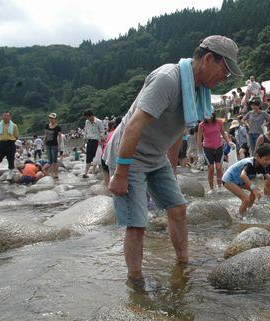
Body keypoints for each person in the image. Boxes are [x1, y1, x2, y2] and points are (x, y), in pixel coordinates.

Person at [104, 35, 242, 282]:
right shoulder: (168, 79)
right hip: (129, 154)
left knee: (178, 209)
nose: (224, 77)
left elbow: (178, 130)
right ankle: (135, 283)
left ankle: (183, 263)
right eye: (225, 70)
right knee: (137, 223)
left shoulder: (198, 92)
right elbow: (134, 125)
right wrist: (121, 173)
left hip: (156, 157)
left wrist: (172, 170)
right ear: (209, 59)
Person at [222, 144, 270, 218]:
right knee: (246, 199)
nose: (268, 162)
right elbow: (243, 175)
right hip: (229, 179)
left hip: (238, 180)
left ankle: (248, 208)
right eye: (266, 159)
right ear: (257, 156)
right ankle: (240, 218)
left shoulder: (260, 165)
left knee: (255, 190)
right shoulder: (249, 163)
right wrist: (253, 188)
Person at [197, 112, 231, 194]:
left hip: (219, 147)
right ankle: (211, 188)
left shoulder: (219, 122)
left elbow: (223, 132)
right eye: (206, 116)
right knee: (211, 168)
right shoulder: (201, 125)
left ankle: (219, 186)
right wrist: (200, 152)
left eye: (210, 115)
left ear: (213, 114)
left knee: (219, 167)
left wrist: (229, 142)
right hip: (207, 148)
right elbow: (199, 138)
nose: (208, 118)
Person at [0, 111, 19, 180]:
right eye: (4, 115)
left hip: (10, 143)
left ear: (10, 117)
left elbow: (16, 136)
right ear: (2, 116)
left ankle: (10, 173)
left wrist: (11, 140)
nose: (6, 117)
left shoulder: (14, 126)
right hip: (1, 143)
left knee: (10, 159)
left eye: (7, 116)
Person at [82, 109, 104, 178]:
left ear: (91, 115)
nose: (87, 119)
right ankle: (85, 173)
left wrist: (101, 139)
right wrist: (84, 142)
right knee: (88, 157)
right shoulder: (87, 122)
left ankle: (101, 172)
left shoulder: (98, 122)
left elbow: (102, 131)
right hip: (89, 141)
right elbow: (86, 132)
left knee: (97, 157)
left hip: (96, 141)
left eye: (88, 117)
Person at [43, 113, 62, 179]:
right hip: (48, 145)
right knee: (50, 160)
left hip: (54, 145)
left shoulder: (58, 127)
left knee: (55, 160)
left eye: (52, 118)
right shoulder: (47, 126)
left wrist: (59, 146)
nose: (50, 119)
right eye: (50, 118)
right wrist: (43, 143)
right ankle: (49, 173)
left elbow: (59, 137)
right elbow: (45, 135)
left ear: (55, 119)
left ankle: (56, 174)